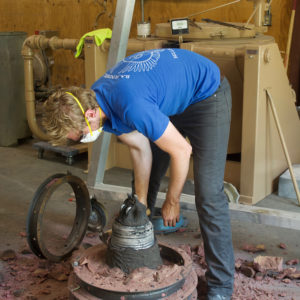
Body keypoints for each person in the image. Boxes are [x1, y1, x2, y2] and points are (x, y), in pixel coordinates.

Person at [43, 48, 234, 300]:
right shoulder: (99, 98)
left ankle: (221, 286)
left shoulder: (130, 105)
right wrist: (141, 202)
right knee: (144, 188)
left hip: (207, 94)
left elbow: (182, 151)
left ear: (90, 116)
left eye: (78, 135)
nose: (81, 140)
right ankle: (141, 249)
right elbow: (140, 147)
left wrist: (172, 201)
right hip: (171, 97)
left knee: (208, 195)